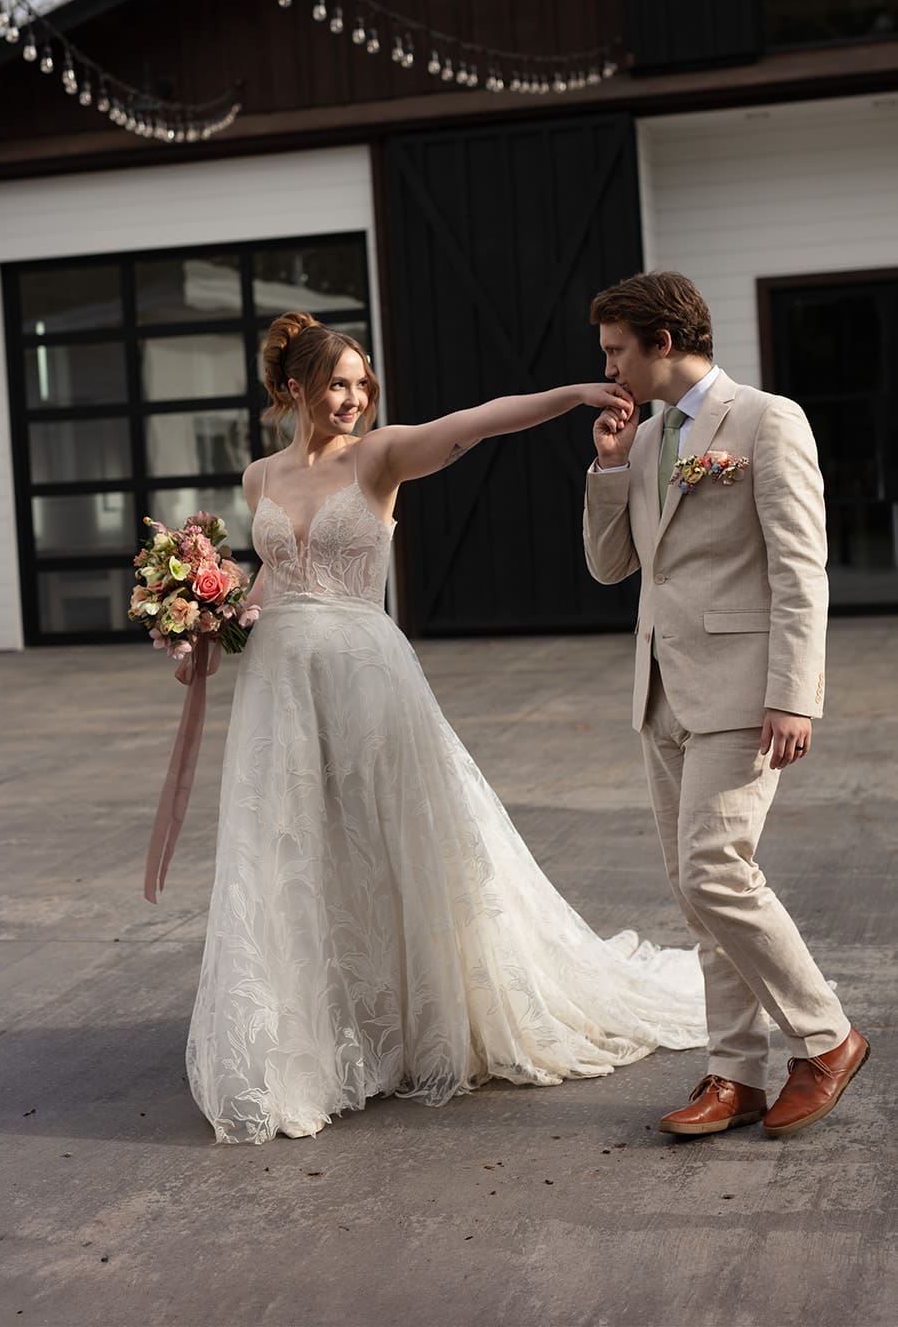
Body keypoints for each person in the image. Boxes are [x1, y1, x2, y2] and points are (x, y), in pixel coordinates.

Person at [185, 309, 707, 1145]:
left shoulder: (380, 456)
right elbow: (271, 586)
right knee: (292, 848)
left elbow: (477, 422)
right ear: (295, 390)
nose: (353, 398)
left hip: (366, 678)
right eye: (336, 385)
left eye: (361, 383)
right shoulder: (258, 479)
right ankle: (314, 1031)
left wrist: (574, 393)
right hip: (279, 685)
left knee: (388, 840)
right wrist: (210, 626)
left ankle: (414, 1018)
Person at [583, 271, 868, 1138]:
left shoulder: (764, 419)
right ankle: (733, 1072)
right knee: (694, 886)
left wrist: (794, 694)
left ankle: (825, 1039)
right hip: (660, 687)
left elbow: (798, 567)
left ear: (661, 343)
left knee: (715, 868)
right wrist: (604, 465)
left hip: (745, 690)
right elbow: (609, 567)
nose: (608, 369)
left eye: (615, 351)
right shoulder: (637, 437)